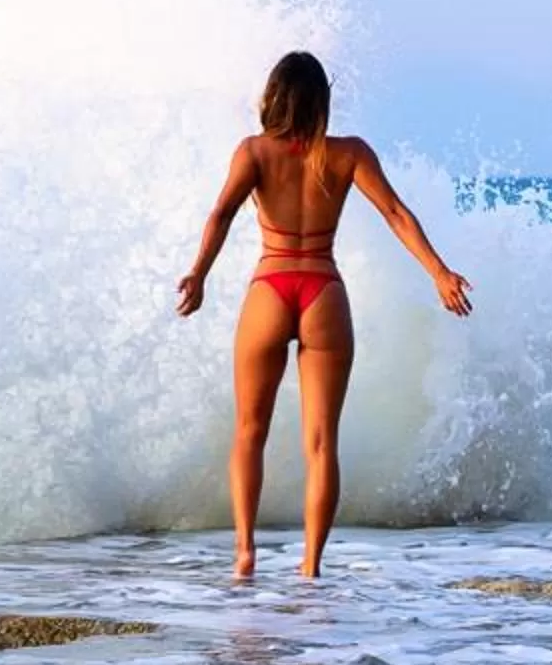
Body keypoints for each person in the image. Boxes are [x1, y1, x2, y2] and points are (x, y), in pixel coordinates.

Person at [177, 51, 473, 579]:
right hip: (322, 292)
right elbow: (396, 214)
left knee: (249, 430)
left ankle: (245, 555)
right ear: (322, 102)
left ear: (273, 96)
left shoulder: (253, 152)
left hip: (271, 286)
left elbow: (219, 214)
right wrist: (439, 272)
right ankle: (310, 566)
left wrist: (198, 275)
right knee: (321, 442)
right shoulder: (349, 154)